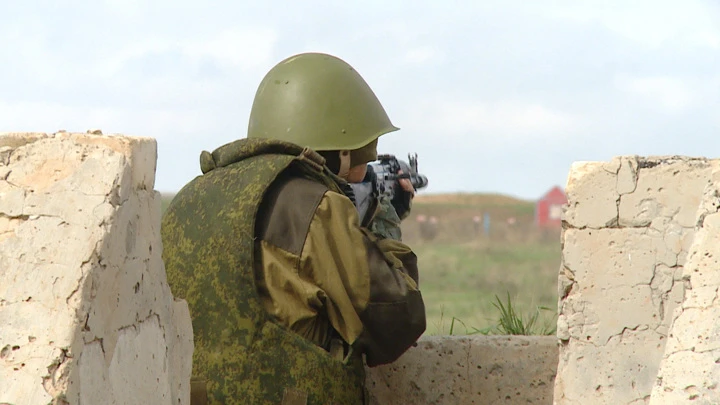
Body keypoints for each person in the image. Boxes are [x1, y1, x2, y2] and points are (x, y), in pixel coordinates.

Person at [161, 52, 426, 405]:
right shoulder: (314, 207)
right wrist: (379, 226)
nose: (362, 173)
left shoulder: (188, 201)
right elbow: (396, 318)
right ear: (338, 155)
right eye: (361, 161)